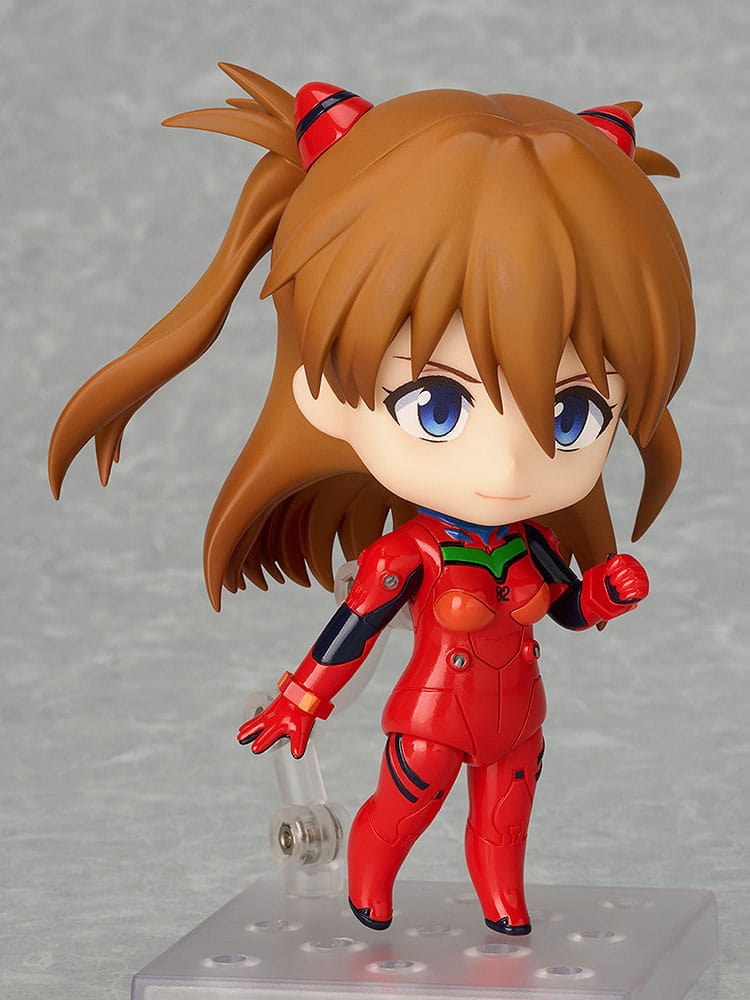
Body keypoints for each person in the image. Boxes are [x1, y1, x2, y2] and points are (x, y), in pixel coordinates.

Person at [49, 66, 695, 935]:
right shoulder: (406, 556)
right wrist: (301, 701)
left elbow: (569, 609)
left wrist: (603, 595)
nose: (510, 461)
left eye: (572, 413)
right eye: (438, 405)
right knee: (404, 808)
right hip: (433, 716)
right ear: (324, 395)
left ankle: (503, 905)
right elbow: (350, 631)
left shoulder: (531, 544)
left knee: (506, 821)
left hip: (518, 720)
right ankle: (368, 886)